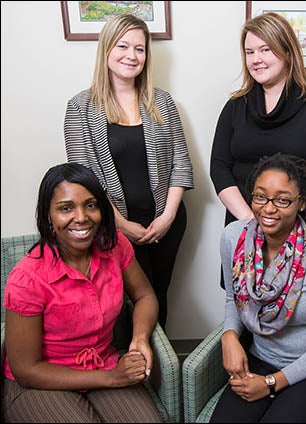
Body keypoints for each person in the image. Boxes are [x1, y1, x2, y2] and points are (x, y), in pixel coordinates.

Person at [2, 162, 163, 423]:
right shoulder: (27, 278)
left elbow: (145, 296)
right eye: (66, 208)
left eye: (90, 205)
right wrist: (112, 378)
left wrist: (140, 339)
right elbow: (26, 370)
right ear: (48, 217)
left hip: (104, 362)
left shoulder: (115, 245)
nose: (81, 217)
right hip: (41, 381)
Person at [64, 13, 194, 331]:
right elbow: (84, 181)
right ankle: (126, 367)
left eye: (140, 48)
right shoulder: (80, 107)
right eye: (123, 46)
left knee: (158, 296)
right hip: (112, 226)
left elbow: (181, 163)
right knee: (121, 302)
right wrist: (120, 224)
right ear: (107, 49)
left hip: (166, 223)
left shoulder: (162, 102)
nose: (131, 56)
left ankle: (157, 372)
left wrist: (167, 217)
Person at [209, 152, 306, 423]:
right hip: (260, 359)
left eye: (282, 200)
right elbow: (233, 299)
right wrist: (229, 337)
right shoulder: (233, 238)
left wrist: (271, 383)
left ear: (302, 202)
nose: (268, 208)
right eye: (260, 196)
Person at [210, 11, 306, 251]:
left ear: (288, 52)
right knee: (240, 289)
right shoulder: (235, 106)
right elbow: (219, 167)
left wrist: (275, 216)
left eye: (265, 49)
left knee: (295, 290)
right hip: (242, 225)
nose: (256, 59)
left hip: (297, 228)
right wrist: (250, 220)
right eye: (249, 52)